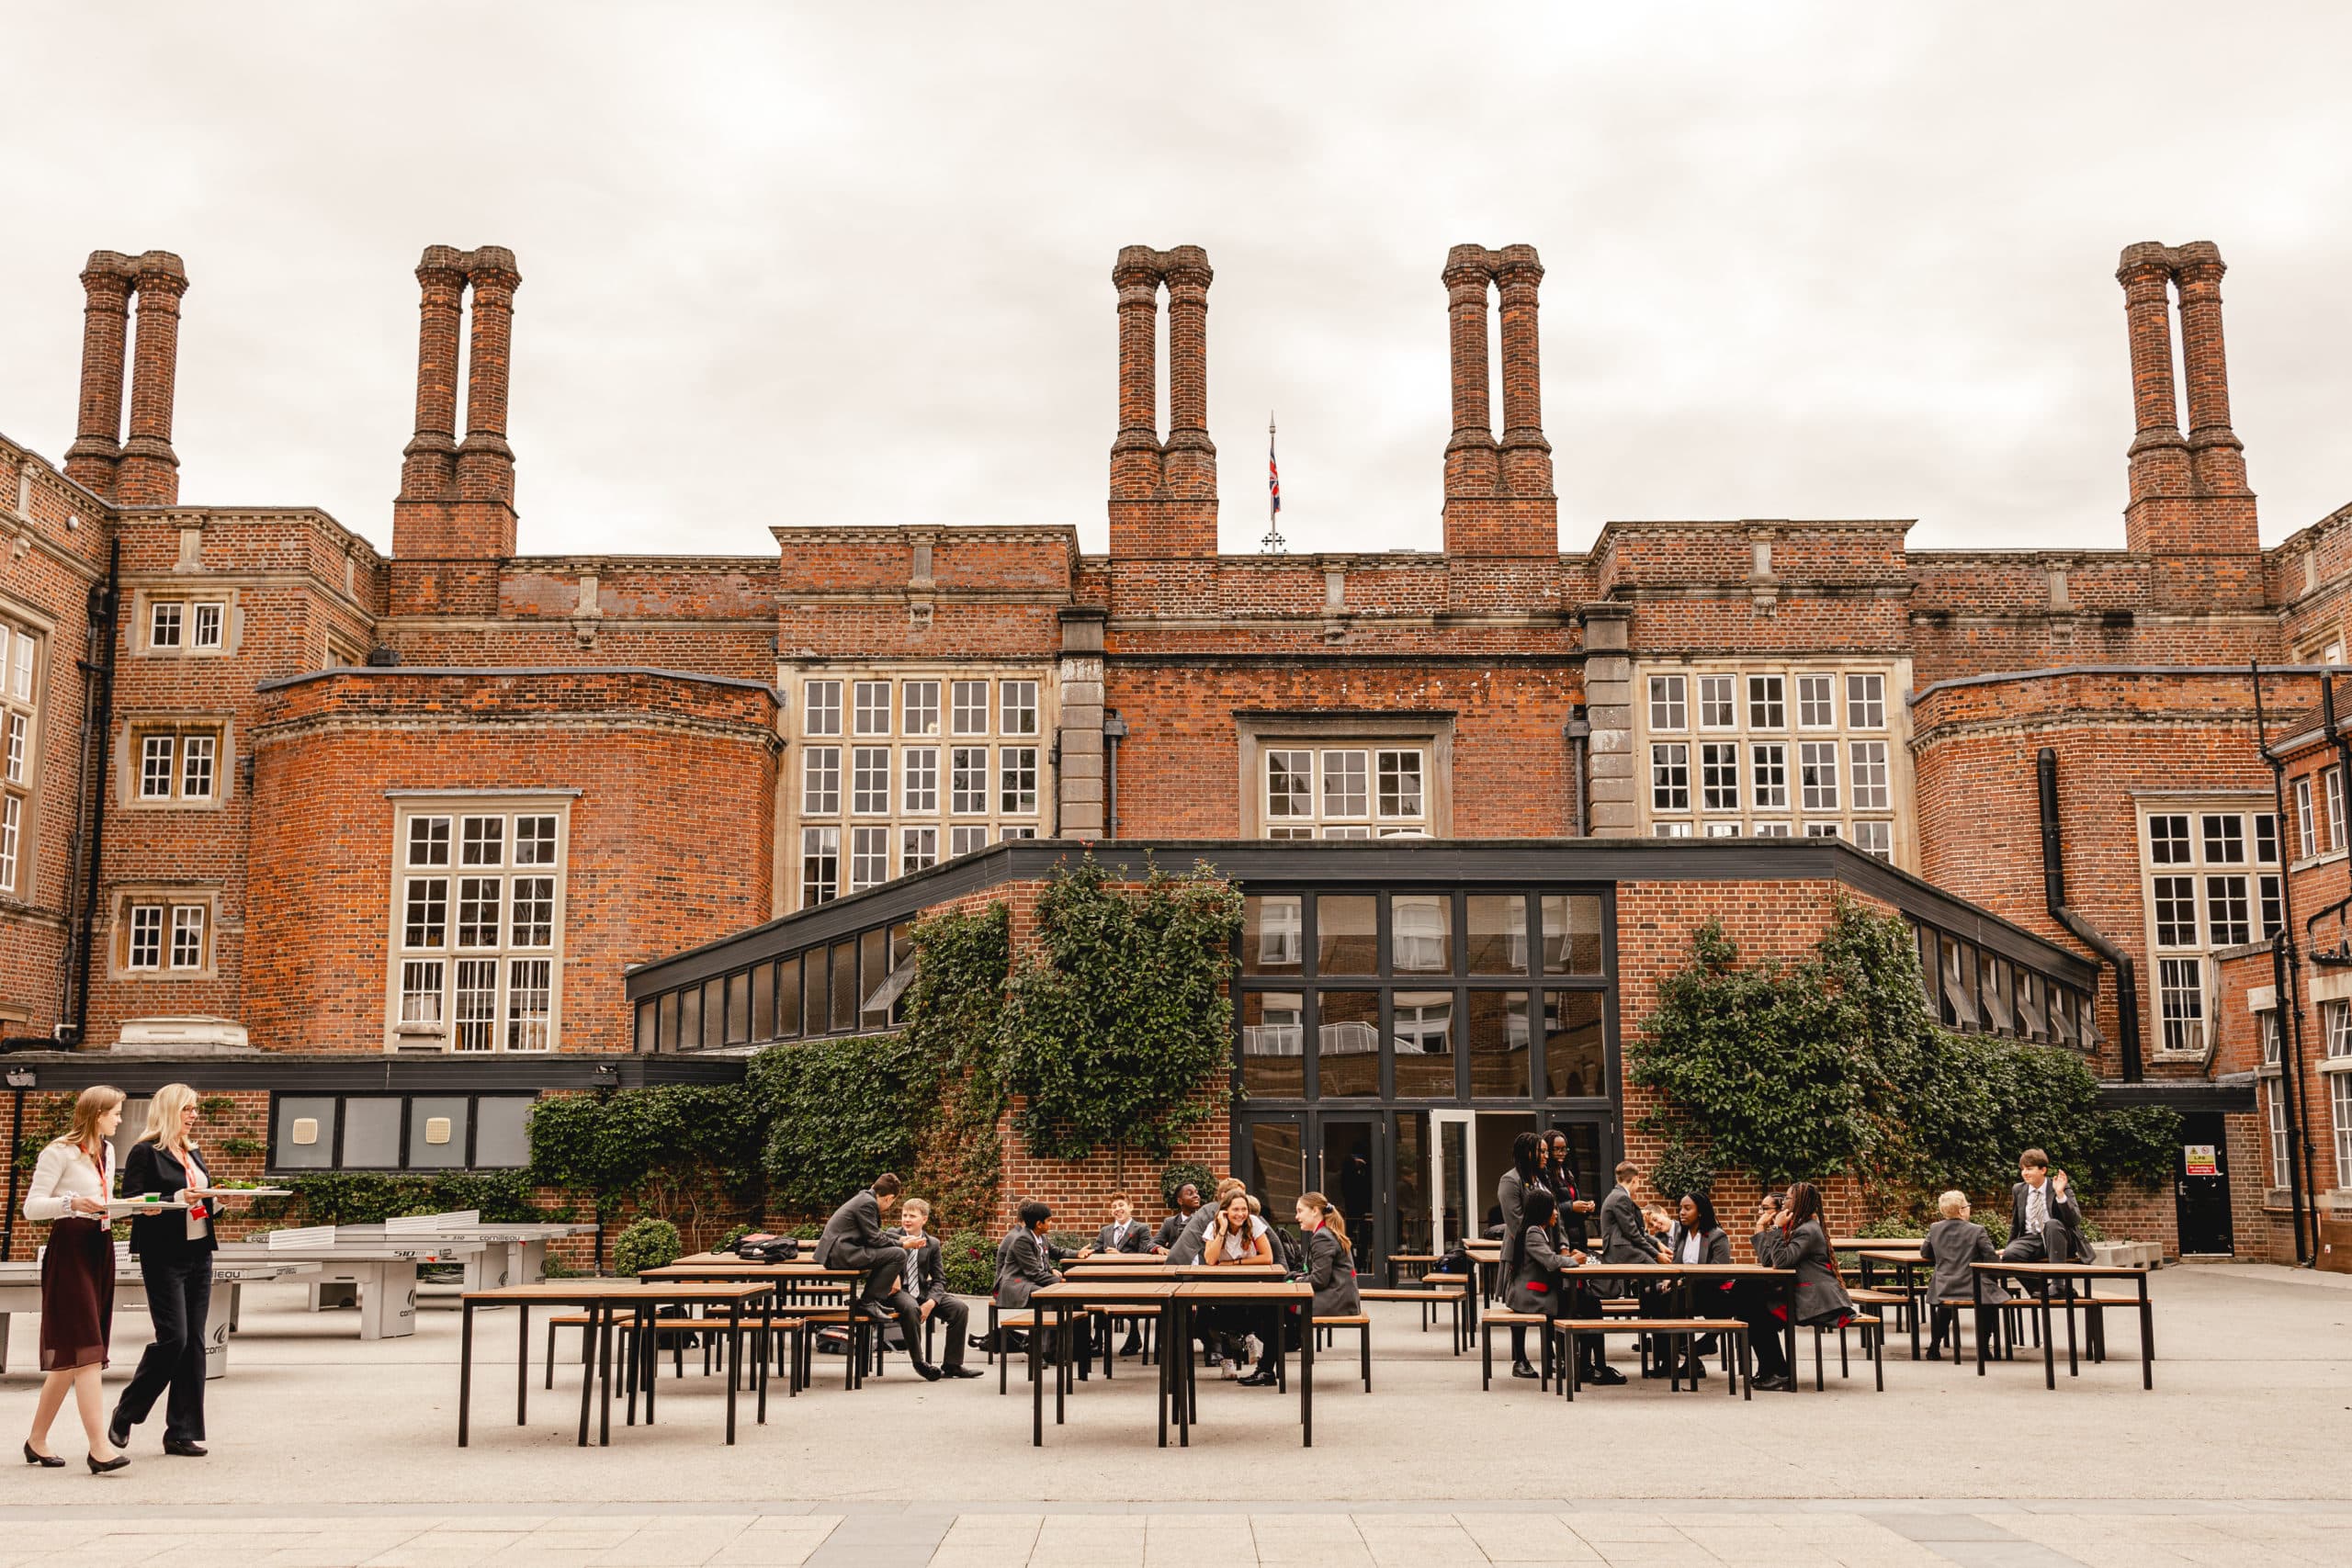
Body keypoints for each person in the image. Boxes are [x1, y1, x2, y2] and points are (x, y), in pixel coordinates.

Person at [112, 1084, 238, 1456]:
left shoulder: (191, 1152)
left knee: (195, 1342)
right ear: (169, 1110)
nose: (193, 1115)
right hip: (163, 1254)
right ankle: (127, 1412)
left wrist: (218, 1202)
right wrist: (174, 1199)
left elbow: (201, 1201)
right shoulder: (145, 1152)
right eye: (187, 1109)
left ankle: (181, 1431)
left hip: (200, 1253)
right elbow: (132, 1203)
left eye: (195, 1109)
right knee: (174, 1338)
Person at [21, 1085, 130, 1472]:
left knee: (71, 1357)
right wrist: (70, 1203)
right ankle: (99, 1448)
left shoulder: (108, 1152)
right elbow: (31, 1208)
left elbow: (104, 1204)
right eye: (115, 1112)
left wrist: (133, 1211)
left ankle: (36, 1440)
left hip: (99, 1247)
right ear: (97, 1112)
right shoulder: (60, 1152)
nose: (119, 1119)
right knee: (87, 1349)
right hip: (68, 1247)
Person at [814, 1173, 944, 1381]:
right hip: (841, 1253)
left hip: (844, 1250)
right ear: (889, 1198)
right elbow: (874, 1238)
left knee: (896, 1253)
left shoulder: (865, 1198)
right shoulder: (868, 1204)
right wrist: (903, 1244)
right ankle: (868, 1301)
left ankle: (870, 1300)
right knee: (897, 1254)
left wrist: (901, 1238)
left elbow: (874, 1233)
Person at [1746, 1180, 1856, 1393]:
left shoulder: (1807, 1230)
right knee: (1750, 1305)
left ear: (1800, 1203)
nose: (1785, 1201)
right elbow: (1770, 1261)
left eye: (1788, 1198)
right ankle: (1774, 1370)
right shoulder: (1798, 1228)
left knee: (1756, 1313)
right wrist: (1761, 1228)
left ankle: (1779, 1372)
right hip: (1801, 1294)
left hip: (1817, 1301)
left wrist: (1776, 1228)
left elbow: (1781, 1262)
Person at [991, 1200, 1089, 1378]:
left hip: (1029, 1281)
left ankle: (1073, 1349)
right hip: (1015, 1284)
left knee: (1069, 1299)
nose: (1051, 1224)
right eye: (1049, 1220)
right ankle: (1043, 1352)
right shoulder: (1022, 1240)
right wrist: (1062, 1283)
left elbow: (1057, 1252)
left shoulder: (1040, 1237)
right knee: (1047, 1298)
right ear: (1039, 1223)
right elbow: (1034, 1273)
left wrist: (1077, 1254)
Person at [1645, 1190, 1731, 1380]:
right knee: (1650, 1294)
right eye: (1681, 1208)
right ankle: (1667, 1359)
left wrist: (1683, 1280)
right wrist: (1670, 1277)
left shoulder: (1717, 1236)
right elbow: (1676, 1263)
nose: (1681, 1212)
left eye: (1687, 1208)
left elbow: (1719, 1271)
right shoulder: (1683, 1235)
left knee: (1669, 1301)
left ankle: (1688, 1357)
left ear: (1700, 1212)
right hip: (1686, 1288)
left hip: (1711, 1292)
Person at [897, 1199, 982, 1377]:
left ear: (924, 1219)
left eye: (912, 1216)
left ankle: (952, 1364)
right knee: (911, 1308)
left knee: (959, 1309)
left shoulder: (932, 1243)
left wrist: (931, 1302)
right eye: (904, 1215)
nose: (907, 1219)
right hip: (900, 1292)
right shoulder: (893, 1236)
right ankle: (920, 1363)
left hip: (922, 1290)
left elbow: (939, 1279)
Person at [1203, 1189, 1278, 1382]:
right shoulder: (1214, 1226)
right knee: (1210, 1311)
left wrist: (1235, 1264)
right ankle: (1240, 1346)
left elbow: (1267, 1257)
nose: (1241, 1214)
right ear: (1225, 1210)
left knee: (1258, 1309)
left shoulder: (1254, 1224)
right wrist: (1222, 1228)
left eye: (1244, 1209)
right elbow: (1210, 1260)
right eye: (1235, 1209)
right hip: (1222, 1283)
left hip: (1250, 1281)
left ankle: (1250, 1339)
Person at [1920, 1189, 2001, 1359]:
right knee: (1989, 1305)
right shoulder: (1977, 1230)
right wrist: (1993, 1279)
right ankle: (1984, 1347)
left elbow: (1925, 1253)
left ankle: (1934, 1346)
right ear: (1961, 1210)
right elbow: (1991, 1259)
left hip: (1944, 1286)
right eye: (1967, 1205)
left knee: (1943, 1310)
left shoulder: (1935, 1228)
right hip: (1972, 1286)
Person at [1502, 1186, 1570, 1380]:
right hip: (1529, 1294)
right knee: (1568, 1306)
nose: (1556, 1213)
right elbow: (1551, 1261)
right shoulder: (1533, 1232)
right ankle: (1559, 1359)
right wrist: (1574, 1261)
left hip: (1533, 1290)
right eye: (1553, 1208)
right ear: (1543, 1211)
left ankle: (1558, 1359)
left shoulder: (1538, 1230)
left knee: (1569, 1303)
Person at [1496, 1131, 1543, 1371]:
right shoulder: (1510, 1180)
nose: (1544, 1156)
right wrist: (1538, 1246)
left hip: (1541, 1249)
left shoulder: (1538, 1179)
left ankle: (1551, 1355)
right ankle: (1520, 1359)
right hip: (1520, 1252)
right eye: (1540, 1151)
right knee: (1519, 1304)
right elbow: (1515, 1222)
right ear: (1528, 1153)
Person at [2002, 1149, 2084, 1267]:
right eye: (2022, 1169)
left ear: (2043, 1170)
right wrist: (2008, 1247)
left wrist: (2060, 1194)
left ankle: (2058, 1284)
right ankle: (2042, 1286)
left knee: (2052, 1224)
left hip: (2059, 1238)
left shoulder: (2059, 1186)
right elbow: (2015, 1224)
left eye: (2029, 1169)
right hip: (2031, 1239)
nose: (2024, 1173)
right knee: (2010, 1255)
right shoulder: (2018, 1190)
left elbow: (2075, 1220)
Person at [1093, 1194, 1152, 1355]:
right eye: (1114, 1207)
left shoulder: (1141, 1228)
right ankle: (1098, 1340)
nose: (1117, 1209)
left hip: (1133, 1279)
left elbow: (1145, 1255)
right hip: (1108, 1278)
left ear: (1130, 1207)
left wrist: (1120, 1256)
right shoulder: (1105, 1231)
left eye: (1121, 1205)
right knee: (1095, 1298)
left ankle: (1134, 1336)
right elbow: (1096, 1251)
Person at [1295, 1191, 1361, 1321]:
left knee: (1284, 1304)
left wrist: (1296, 1283)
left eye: (1300, 1211)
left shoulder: (1322, 1237)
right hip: (1342, 1299)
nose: (1297, 1217)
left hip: (1337, 1301)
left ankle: (1296, 1342)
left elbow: (1320, 1279)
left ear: (1314, 1211)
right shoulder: (1325, 1232)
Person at [1545, 1131, 1597, 1255]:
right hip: (1560, 1238)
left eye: (1564, 1149)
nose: (1561, 1153)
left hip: (1578, 1236)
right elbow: (1548, 1209)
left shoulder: (1567, 1173)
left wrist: (1586, 1208)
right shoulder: (1545, 1175)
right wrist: (1572, 1207)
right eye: (1556, 1149)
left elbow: (1574, 1204)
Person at [1154, 1183, 1201, 1252]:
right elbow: (1153, 1243)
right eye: (1190, 1193)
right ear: (1180, 1201)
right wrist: (1159, 1248)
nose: (1196, 1196)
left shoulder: (1206, 1220)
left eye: (1196, 1193)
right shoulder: (1170, 1223)